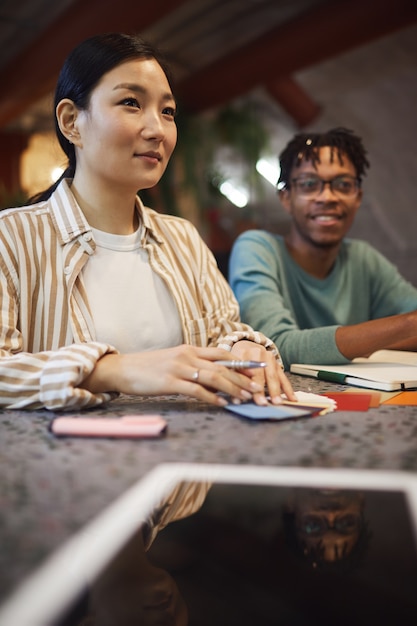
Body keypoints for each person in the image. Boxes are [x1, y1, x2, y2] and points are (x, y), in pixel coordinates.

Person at [0, 32, 294, 411]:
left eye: (167, 111)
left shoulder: (181, 237)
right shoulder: (12, 237)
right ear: (71, 122)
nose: (157, 129)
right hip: (65, 465)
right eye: (130, 103)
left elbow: (225, 331)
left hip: (189, 461)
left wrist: (243, 347)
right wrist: (114, 370)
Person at [229, 127, 417, 370]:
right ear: (286, 198)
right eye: (309, 184)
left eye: (343, 184)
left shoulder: (363, 258)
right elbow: (274, 346)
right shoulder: (256, 248)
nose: (327, 197)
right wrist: (408, 326)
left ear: (357, 197)